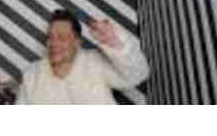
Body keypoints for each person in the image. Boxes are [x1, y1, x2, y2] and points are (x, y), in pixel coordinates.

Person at [15, 9, 149, 104]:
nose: (53, 43)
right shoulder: (31, 74)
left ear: (77, 42)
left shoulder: (94, 63)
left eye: (61, 37)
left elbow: (138, 75)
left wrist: (116, 44)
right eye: (50, 37)